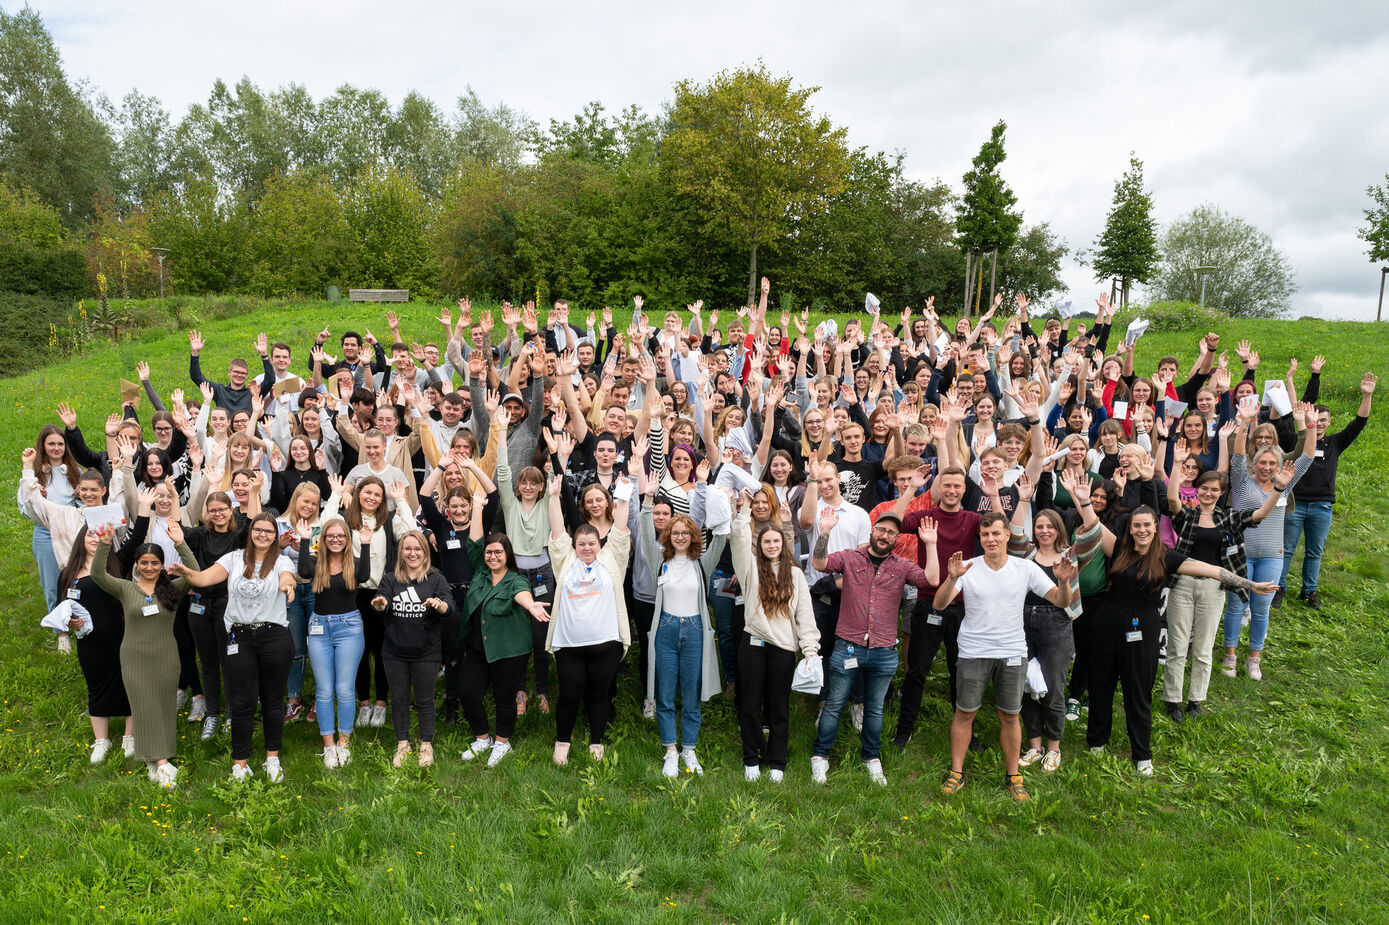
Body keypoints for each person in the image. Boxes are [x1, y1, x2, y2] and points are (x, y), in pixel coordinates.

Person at [1067, 471, 1277, 776]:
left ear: (1155, 528)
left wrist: (1250, 584)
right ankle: (1097, 741)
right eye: (1136, 525)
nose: (1141, 530)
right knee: (1101, 686)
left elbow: (1213, 571)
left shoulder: (1167, 557)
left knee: (1138, 692)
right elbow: (1095, 525)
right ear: (1130, 530)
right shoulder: (1118, 550)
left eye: (1146, 525)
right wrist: (1085, 500)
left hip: (1144, 628)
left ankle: (1142, 755)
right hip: (1108, 625)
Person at [932, 513, 1076, 802]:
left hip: (1012, 651)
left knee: (1010, 716)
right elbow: (939, 603)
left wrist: (1063, 582)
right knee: (965, 713)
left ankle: (1013, 775)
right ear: (980, 538)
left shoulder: (1025, 568)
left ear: (1008, 536)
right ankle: (957, 772)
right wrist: (951, 578)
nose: (991, 539)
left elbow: (1062, 602)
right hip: (973, 651)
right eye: (985, 535)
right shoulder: (967, 568)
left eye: (997, 534)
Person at [809, 507, 938, 786]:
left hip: (883, 651)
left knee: (875, 709)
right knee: (834, 705)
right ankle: (820, 756)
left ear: (895, 538)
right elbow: (819, 564)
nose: (885, 535)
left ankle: (871, 757)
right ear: (872, 531)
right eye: (881, 529)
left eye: (892, 532)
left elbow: (932, 580)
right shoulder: (849, 557)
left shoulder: (901, 566)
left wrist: (931, 545)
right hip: (848, 646)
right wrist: (826, 531)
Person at [170, 512, 297, 783]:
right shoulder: (233, 558)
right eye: (258, 530)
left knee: (273, 701)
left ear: (275, 536)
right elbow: (204, 579)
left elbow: (287, 578)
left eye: (269, 531)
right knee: (241, 702)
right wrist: (186, 571)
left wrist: (288, 586)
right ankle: (241, 763)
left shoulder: (282, 561)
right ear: (250, 532)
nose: (263, 535)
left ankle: (271, 759)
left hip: (274, 635)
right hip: (239, 636)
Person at [1164, 459, 1294, 721]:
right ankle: (1172, 699)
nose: (1208, 493)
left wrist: (1279, 488)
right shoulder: (1187, 516)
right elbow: (1172, 500)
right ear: (1198, 490)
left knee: (1203, 647)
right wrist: (1177, 465)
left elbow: (1260, 514)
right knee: (1177, 646)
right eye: (1203, 488)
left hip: (1214, 588)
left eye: (1214, 490)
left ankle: (1195, 700)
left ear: (1222, 493)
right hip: (1182, 585)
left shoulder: (1229, 518)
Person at [89, 522, 199, 788]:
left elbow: (195, 572)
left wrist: (180, 543)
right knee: (143, 707)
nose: (149, 567)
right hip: (134, 659)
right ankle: (161, 762)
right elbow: (98, 576)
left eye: (154, 563)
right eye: (144, 562)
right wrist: (104, 544)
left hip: (166, 658)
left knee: (163, 708)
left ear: (162, 565)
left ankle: (154, 760)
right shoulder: (126, 589)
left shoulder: (173, 588)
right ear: (136, 564)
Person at [1007, 475, 1100, 773]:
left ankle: (1053, 748)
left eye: (1050, 526)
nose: (1044, 531)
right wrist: (1023, 499)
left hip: (1057, 623)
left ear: (1059, 529)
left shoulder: (1071, 555)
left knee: (1053, 687)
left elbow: (1093, 535)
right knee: (1027, 685)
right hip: (1023, 621)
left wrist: (1082, 500)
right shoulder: (1027, 555)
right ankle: (1034, 745)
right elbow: (1014, 534)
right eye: (1040, 527)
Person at [1221, 402, 1316, 680]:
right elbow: (1237, 454)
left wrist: (1309, 426)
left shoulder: (1284, 483)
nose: (1266, 467)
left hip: (1272, 555)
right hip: (1241, 554)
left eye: (1272, 463)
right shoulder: (1242, 483)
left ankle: (1254, 658)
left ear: (1278, 466)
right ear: (1256, 463)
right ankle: (1230, 654)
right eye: (1262, 462)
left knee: (1261, 609)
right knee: (1237, 605)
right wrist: (1243, 423)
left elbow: (1307, 457)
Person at [457, 491, 552, 767]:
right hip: (477, 648)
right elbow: (474, 541)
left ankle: (502, 743)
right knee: (468, 692)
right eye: (489, 552)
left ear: (508, 555)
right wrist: (477, 508)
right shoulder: (479, 571)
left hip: (508, 650)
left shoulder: (515, 580)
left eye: (498, 552)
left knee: (503, 698)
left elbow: (522, 594)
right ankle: (482, 738)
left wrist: (531, 605)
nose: (493, 556)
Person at [545, 472, 632, 766]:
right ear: (575, 546)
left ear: (599, 545)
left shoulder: (612, 560)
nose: (586, 548)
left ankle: (597, 743)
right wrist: (554, 496)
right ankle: (562, 743)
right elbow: (557, 532)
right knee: (569, 695)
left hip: (605, 644)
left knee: (599, 695)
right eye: (581, 544)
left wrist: (625, 487)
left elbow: (619, 528)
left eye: (591, 544)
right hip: (569, 645)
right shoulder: (565, 561)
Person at [729, 504, 819, 782]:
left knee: (779, 707)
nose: (771, 545)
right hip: (753, 644)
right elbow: (739, 539)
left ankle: (777, 761)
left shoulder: (794, 575)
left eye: (776, 541)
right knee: (750, 705)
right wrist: (743, 512)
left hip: (782, 649)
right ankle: (751, 758)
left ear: (784, 544)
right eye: (766, 541)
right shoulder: (750, 569)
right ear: (760, 544)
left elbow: (804, 614)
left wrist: (810, 649)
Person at [642, 492, 729, 778]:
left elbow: (720, 536)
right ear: (667, 536)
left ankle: (688, 749)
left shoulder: (701, 564)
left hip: (694, 632)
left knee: (691, 696)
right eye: (675, 533)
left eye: (685, 533)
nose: (680, 537)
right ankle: (670, 751)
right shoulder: (660, 559)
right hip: (665, 630)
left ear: (693, 536)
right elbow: (645, 531)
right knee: (665, 696)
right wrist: (646, 502)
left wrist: (724, 504)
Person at [1279, 373, 1376, 609]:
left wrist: (1367, 395)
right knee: (1287, 549)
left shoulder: (1335, 443)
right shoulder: (1297, 440)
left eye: (1324, 420)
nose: (1320, 423)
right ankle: (1278, 589)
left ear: (1330, 422)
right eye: (1316, 419)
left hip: (1322, 506)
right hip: (1296, 503)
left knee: (1315, 552)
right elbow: (1288, 417)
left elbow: (1359, 422)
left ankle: (1309, 592)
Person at [372, 531, 455, 768]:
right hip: (394, 651)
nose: (413, 553)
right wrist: (380, 605)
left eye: (417, 548)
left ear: (425, 552)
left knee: (425, 700)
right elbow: (381, 602)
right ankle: (402, 745)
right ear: (401, 553)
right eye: (408, 549)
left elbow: (449, 606)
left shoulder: (435, 578)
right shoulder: (390, 579)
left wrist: (439, 605)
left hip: (426, 652)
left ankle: (426, 745)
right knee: (398, 700)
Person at [54, 524, 132, 764]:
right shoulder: (68, 573)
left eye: (99, 536)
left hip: (122, 637)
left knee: (128, 683)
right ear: (80, 539)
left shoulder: (116, 565)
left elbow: (137, 536)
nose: (94, 539)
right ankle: (102, 740)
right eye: (90, 534)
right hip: (89, 641)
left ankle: (130, 737)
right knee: (96, 685)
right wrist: (70, 622)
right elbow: (61, 607)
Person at [299, 516, 369, 768]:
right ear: (324, 539)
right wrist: (305, 539)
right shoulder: (316, 564)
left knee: (344, 689)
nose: (336, 539)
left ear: (347, 539)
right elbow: (303, 571)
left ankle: (344, 742)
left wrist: (366, 543)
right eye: (331, 536)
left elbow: (365, 574)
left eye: (341, 536)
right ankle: (329, 746)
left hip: (349, 628)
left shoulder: (355, 563)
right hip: (319, 628)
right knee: (324, 691)